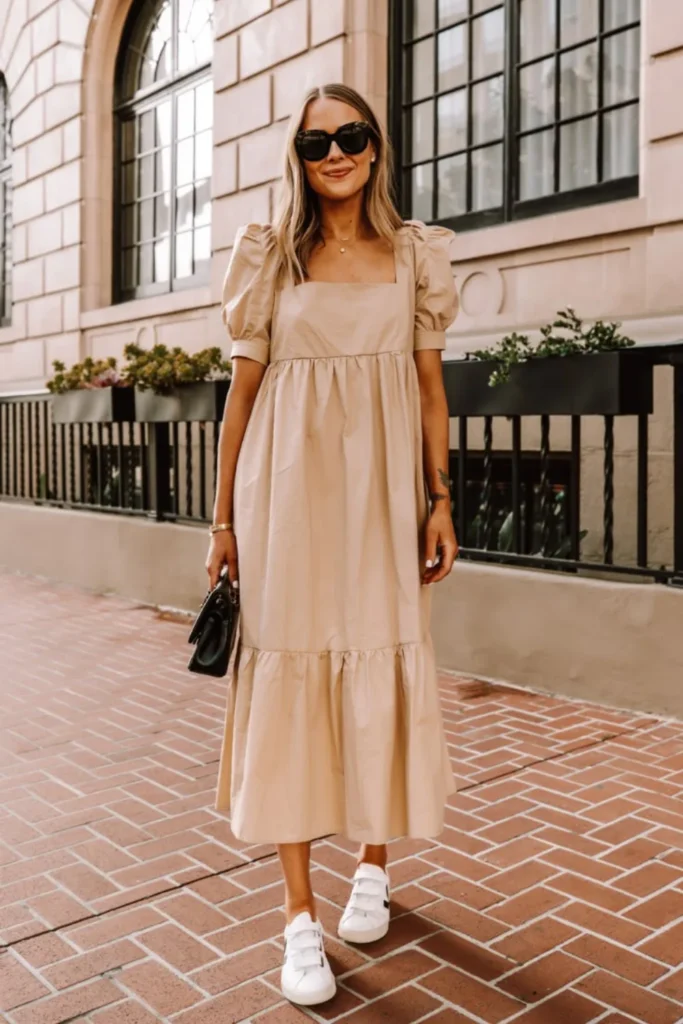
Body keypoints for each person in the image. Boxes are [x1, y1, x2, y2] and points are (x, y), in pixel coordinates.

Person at [207, 82, 459, 1008]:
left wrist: (439, 498)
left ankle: (372, 864)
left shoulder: (412, 258)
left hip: (384, 498)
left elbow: (430, 392)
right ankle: (297, 918)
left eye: (351, 137)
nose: (336, 154)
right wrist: (223, 519)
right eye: (317, 143)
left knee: (380, 667)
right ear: (299, 158)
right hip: (285, 500)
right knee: (290, 680)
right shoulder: (272, 259)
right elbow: (240, 397)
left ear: (375, 147)